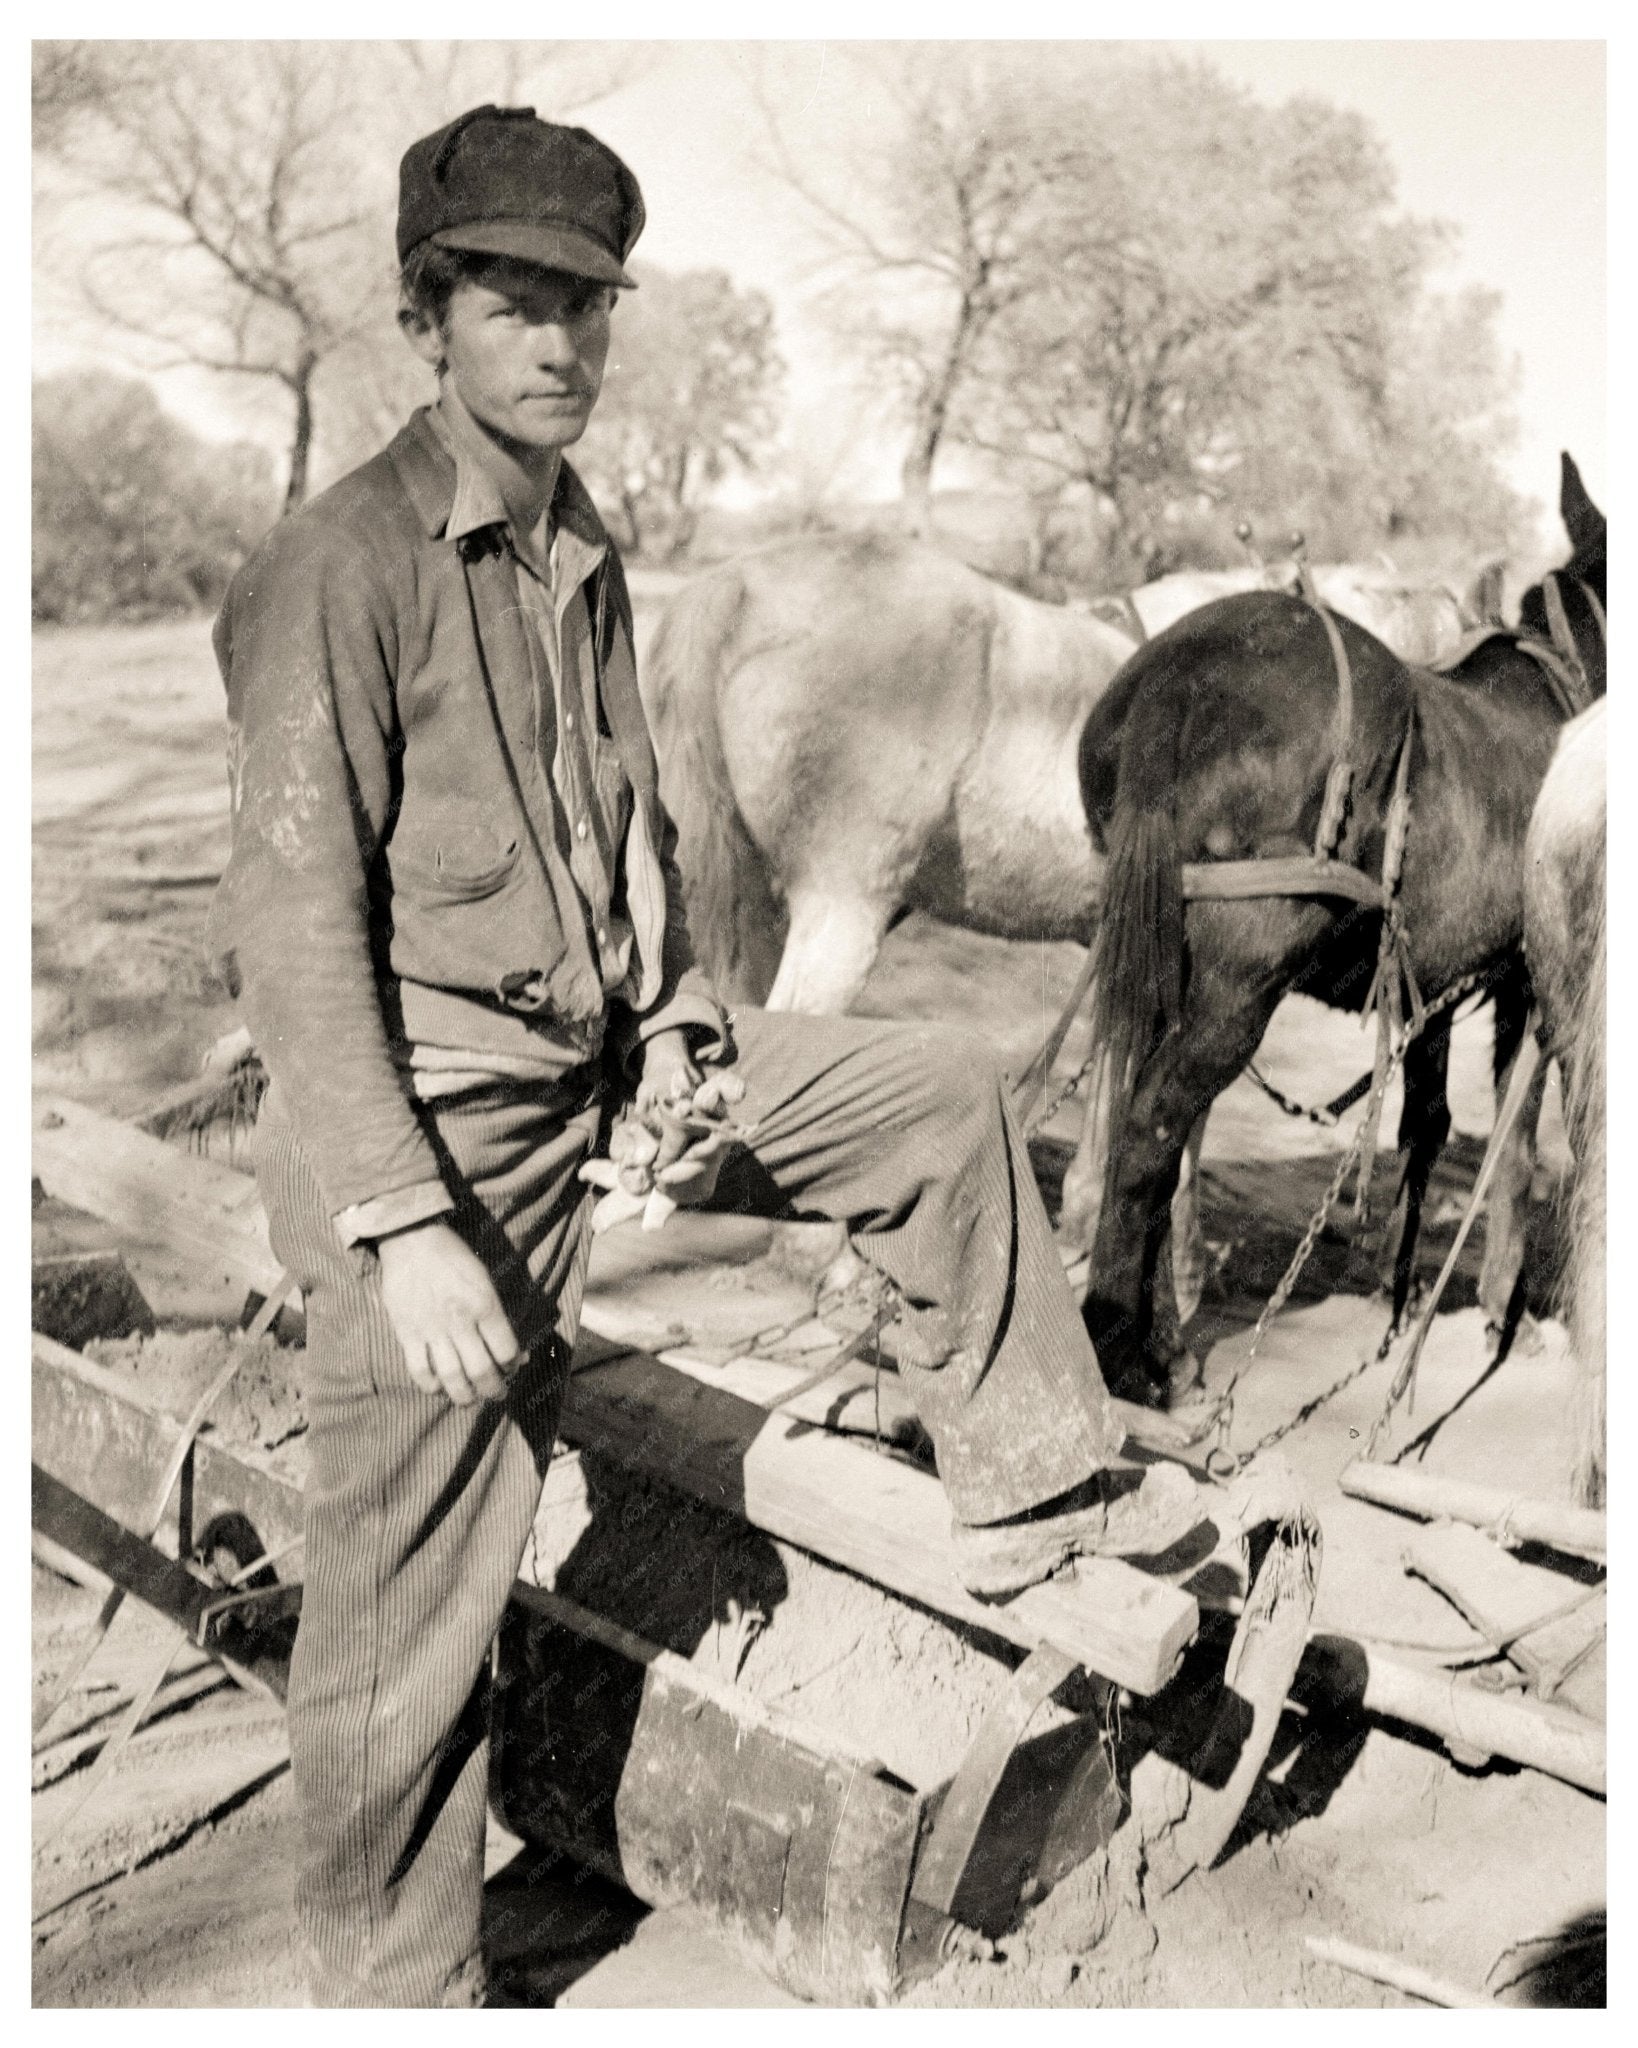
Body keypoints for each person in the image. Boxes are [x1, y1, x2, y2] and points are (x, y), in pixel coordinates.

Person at [209, 103, 1201, 2009]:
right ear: (426, 317)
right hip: (434, 1142)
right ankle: (395, 1996)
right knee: (403, 1619)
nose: (560, 341)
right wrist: (403, 1228)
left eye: (588, 302)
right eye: (513, 301)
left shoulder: (576, 539)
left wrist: (674, 1029)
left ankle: (1031, 1493)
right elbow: (293, 933)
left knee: (932, 1092)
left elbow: (629, 830)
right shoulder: (342, 571)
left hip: (600, 1077)